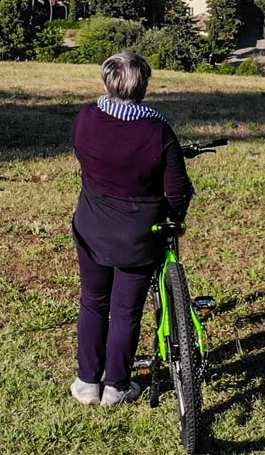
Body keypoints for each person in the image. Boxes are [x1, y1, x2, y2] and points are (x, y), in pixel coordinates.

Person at [69, 51, 194, 406]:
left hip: (92, 223)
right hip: (140, 232)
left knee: (93, 302)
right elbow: (177, 189)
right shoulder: (158, 131)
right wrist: (173, 216)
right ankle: (117, 386)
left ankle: (87, 381)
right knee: (126, 310)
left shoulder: (86, 118)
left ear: (107, 81)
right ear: (143, 85)